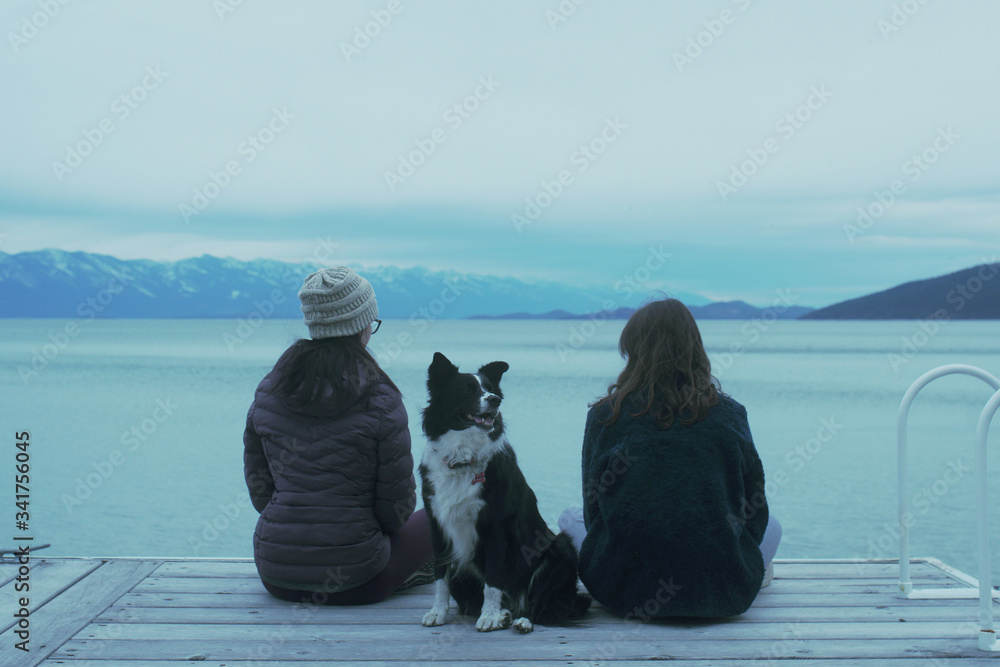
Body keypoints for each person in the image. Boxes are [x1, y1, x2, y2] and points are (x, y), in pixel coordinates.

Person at [559, 297, 781, 618]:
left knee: (569, 517)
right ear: (695, 349)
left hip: (624, 591)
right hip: (722, 591)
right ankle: (754, 574)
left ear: (633, 351)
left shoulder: (606, 415)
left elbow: (594, 512)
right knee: (774, 527)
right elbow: (756, 509)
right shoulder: (731, 414)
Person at [243, 266, 433, 604]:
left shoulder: (270, 389)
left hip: (276, 575)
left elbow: (260, 491)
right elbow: (396, 509)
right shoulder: (381, 397)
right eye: (371, 324)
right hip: (360, 580)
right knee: (441, 516)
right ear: (361, 325)